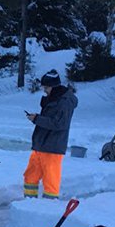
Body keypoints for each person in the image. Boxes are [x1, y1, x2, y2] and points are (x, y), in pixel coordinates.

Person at [23, 69, 77, 199]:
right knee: (30, 176)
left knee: (50, 181)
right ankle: (29, 203)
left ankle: (48, 207)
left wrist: (37, 119)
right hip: (41, 145)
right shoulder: (52, 99)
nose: (44, 90)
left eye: (46, 87)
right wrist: (37, 118)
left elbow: (60, 124)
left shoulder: (65, 102)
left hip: (53, 147)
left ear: (53, 86)